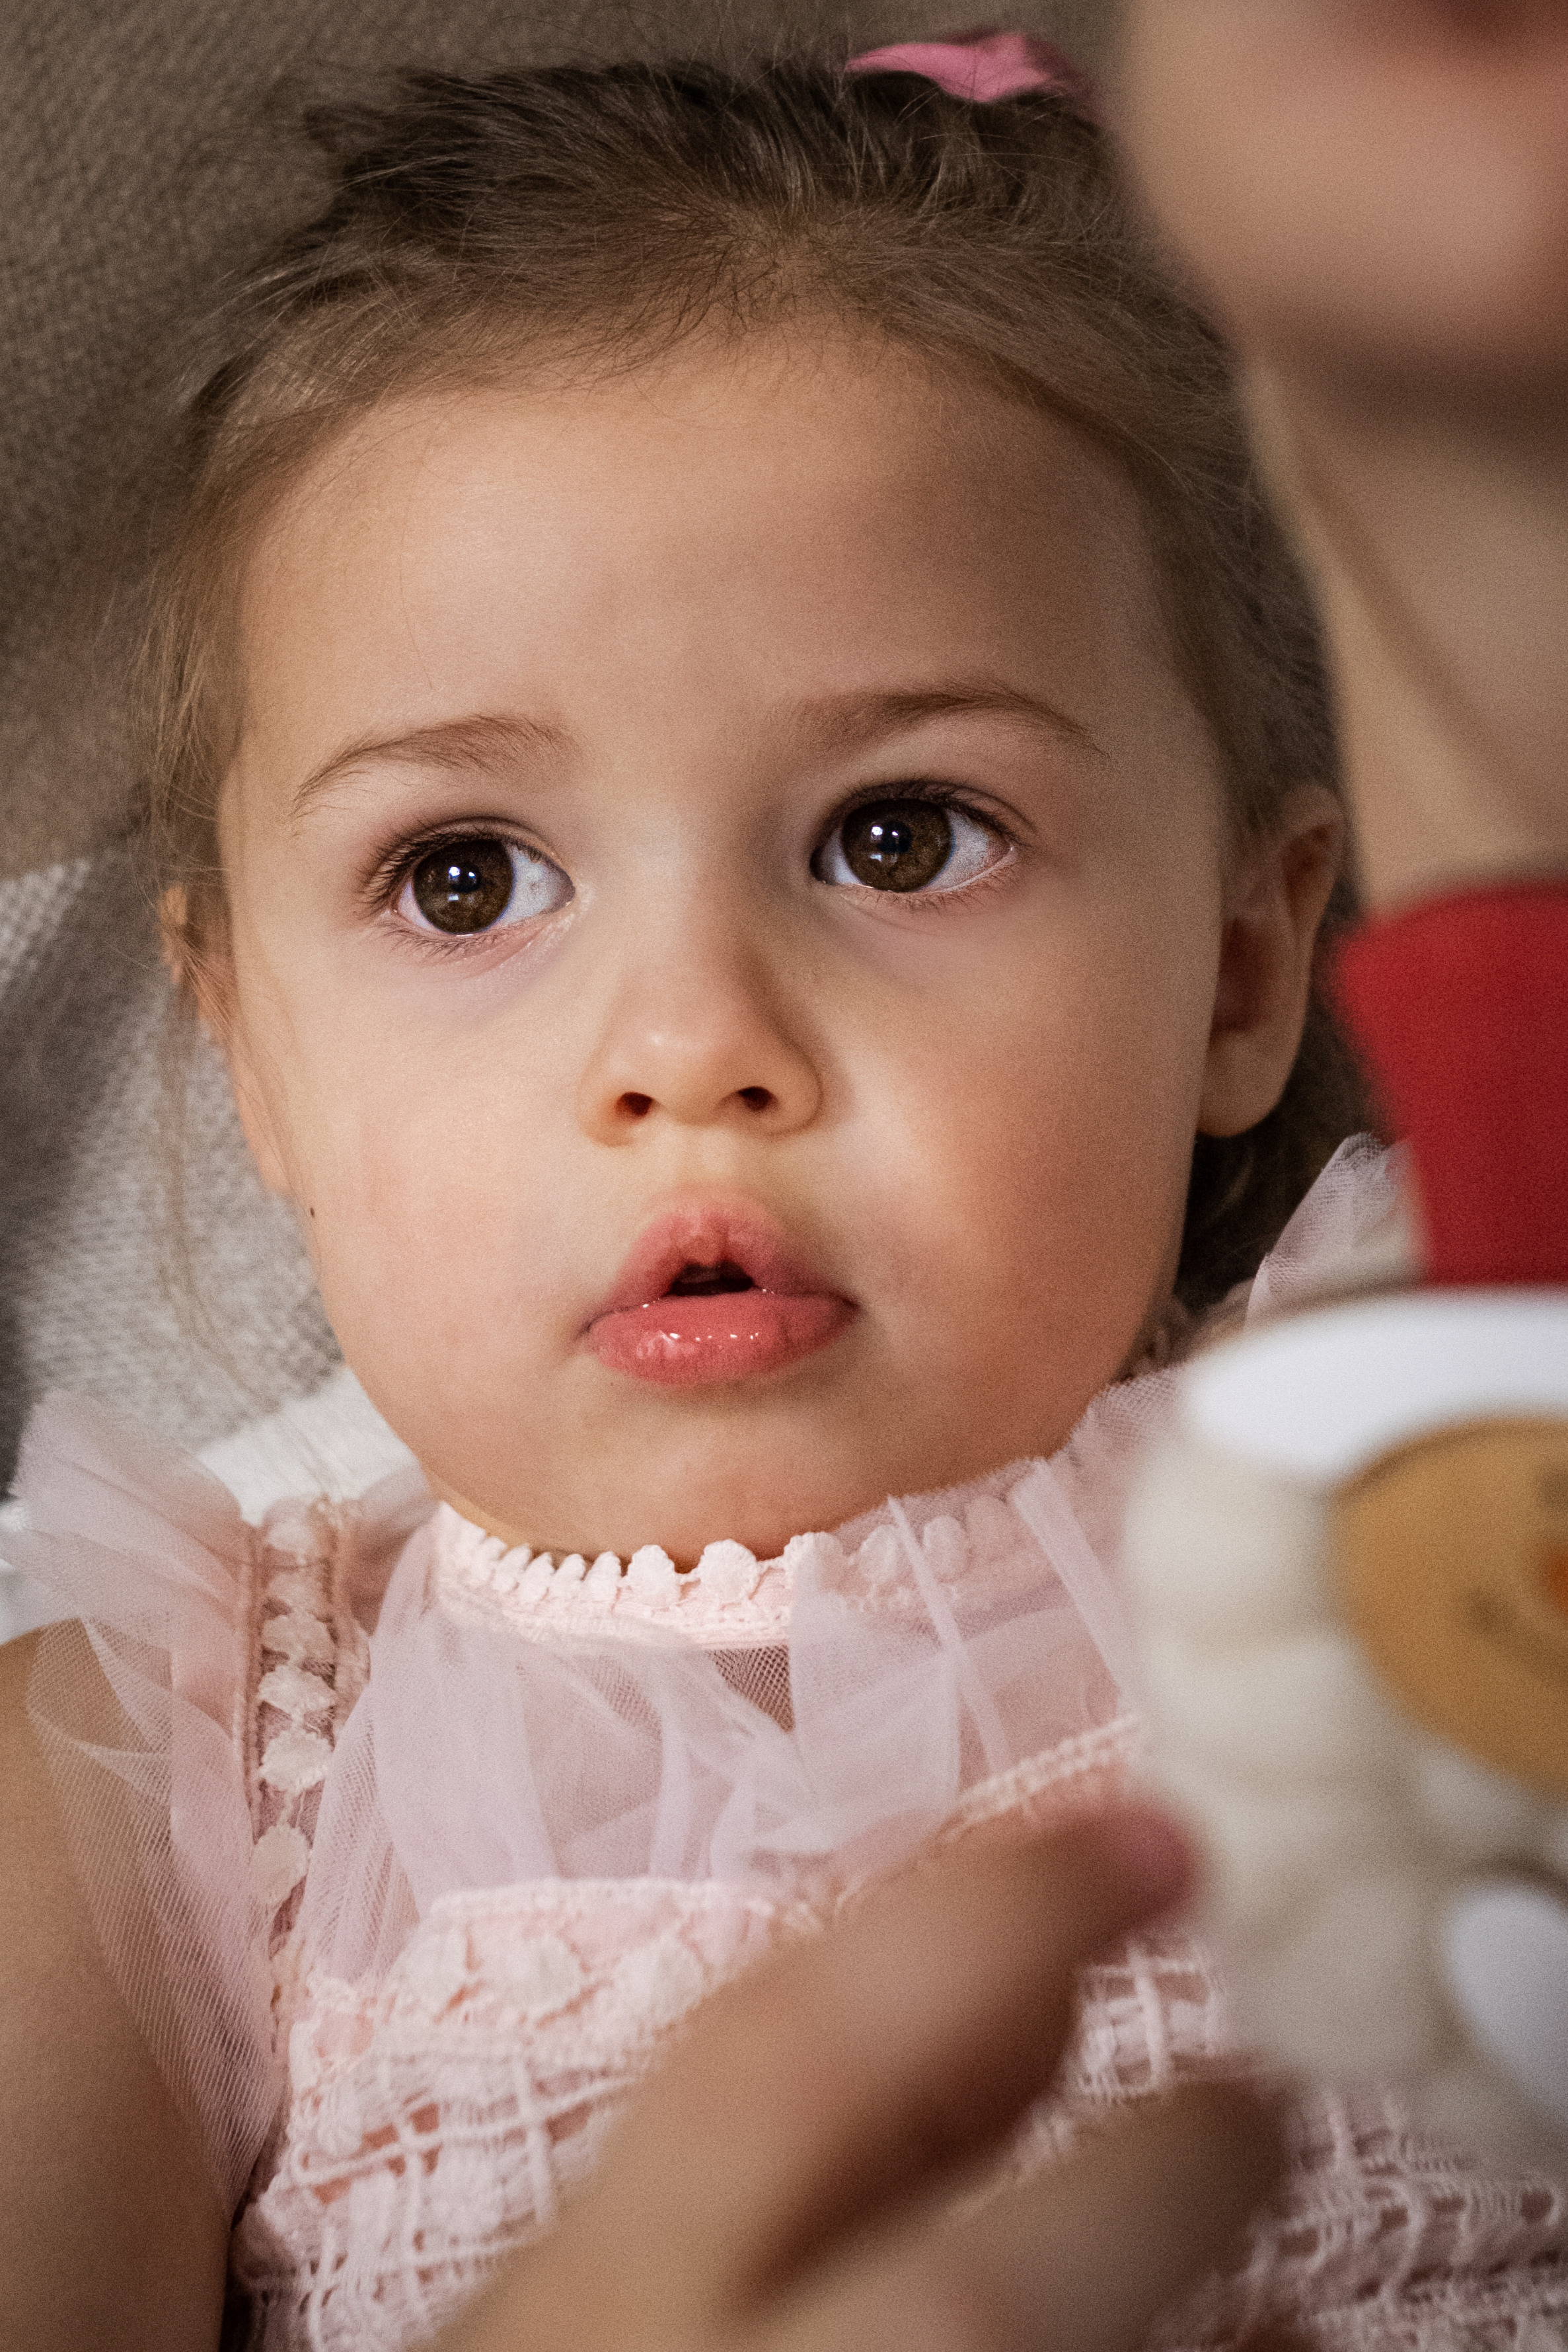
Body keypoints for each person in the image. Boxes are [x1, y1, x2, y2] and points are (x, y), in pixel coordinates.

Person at [0, 26, 1557, 2352]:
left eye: (899, 834)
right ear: (250, 1062)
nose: (689, 1048)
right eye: (460, 878)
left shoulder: (1382, 1441)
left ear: (1245, 967)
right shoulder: (161, 1757)